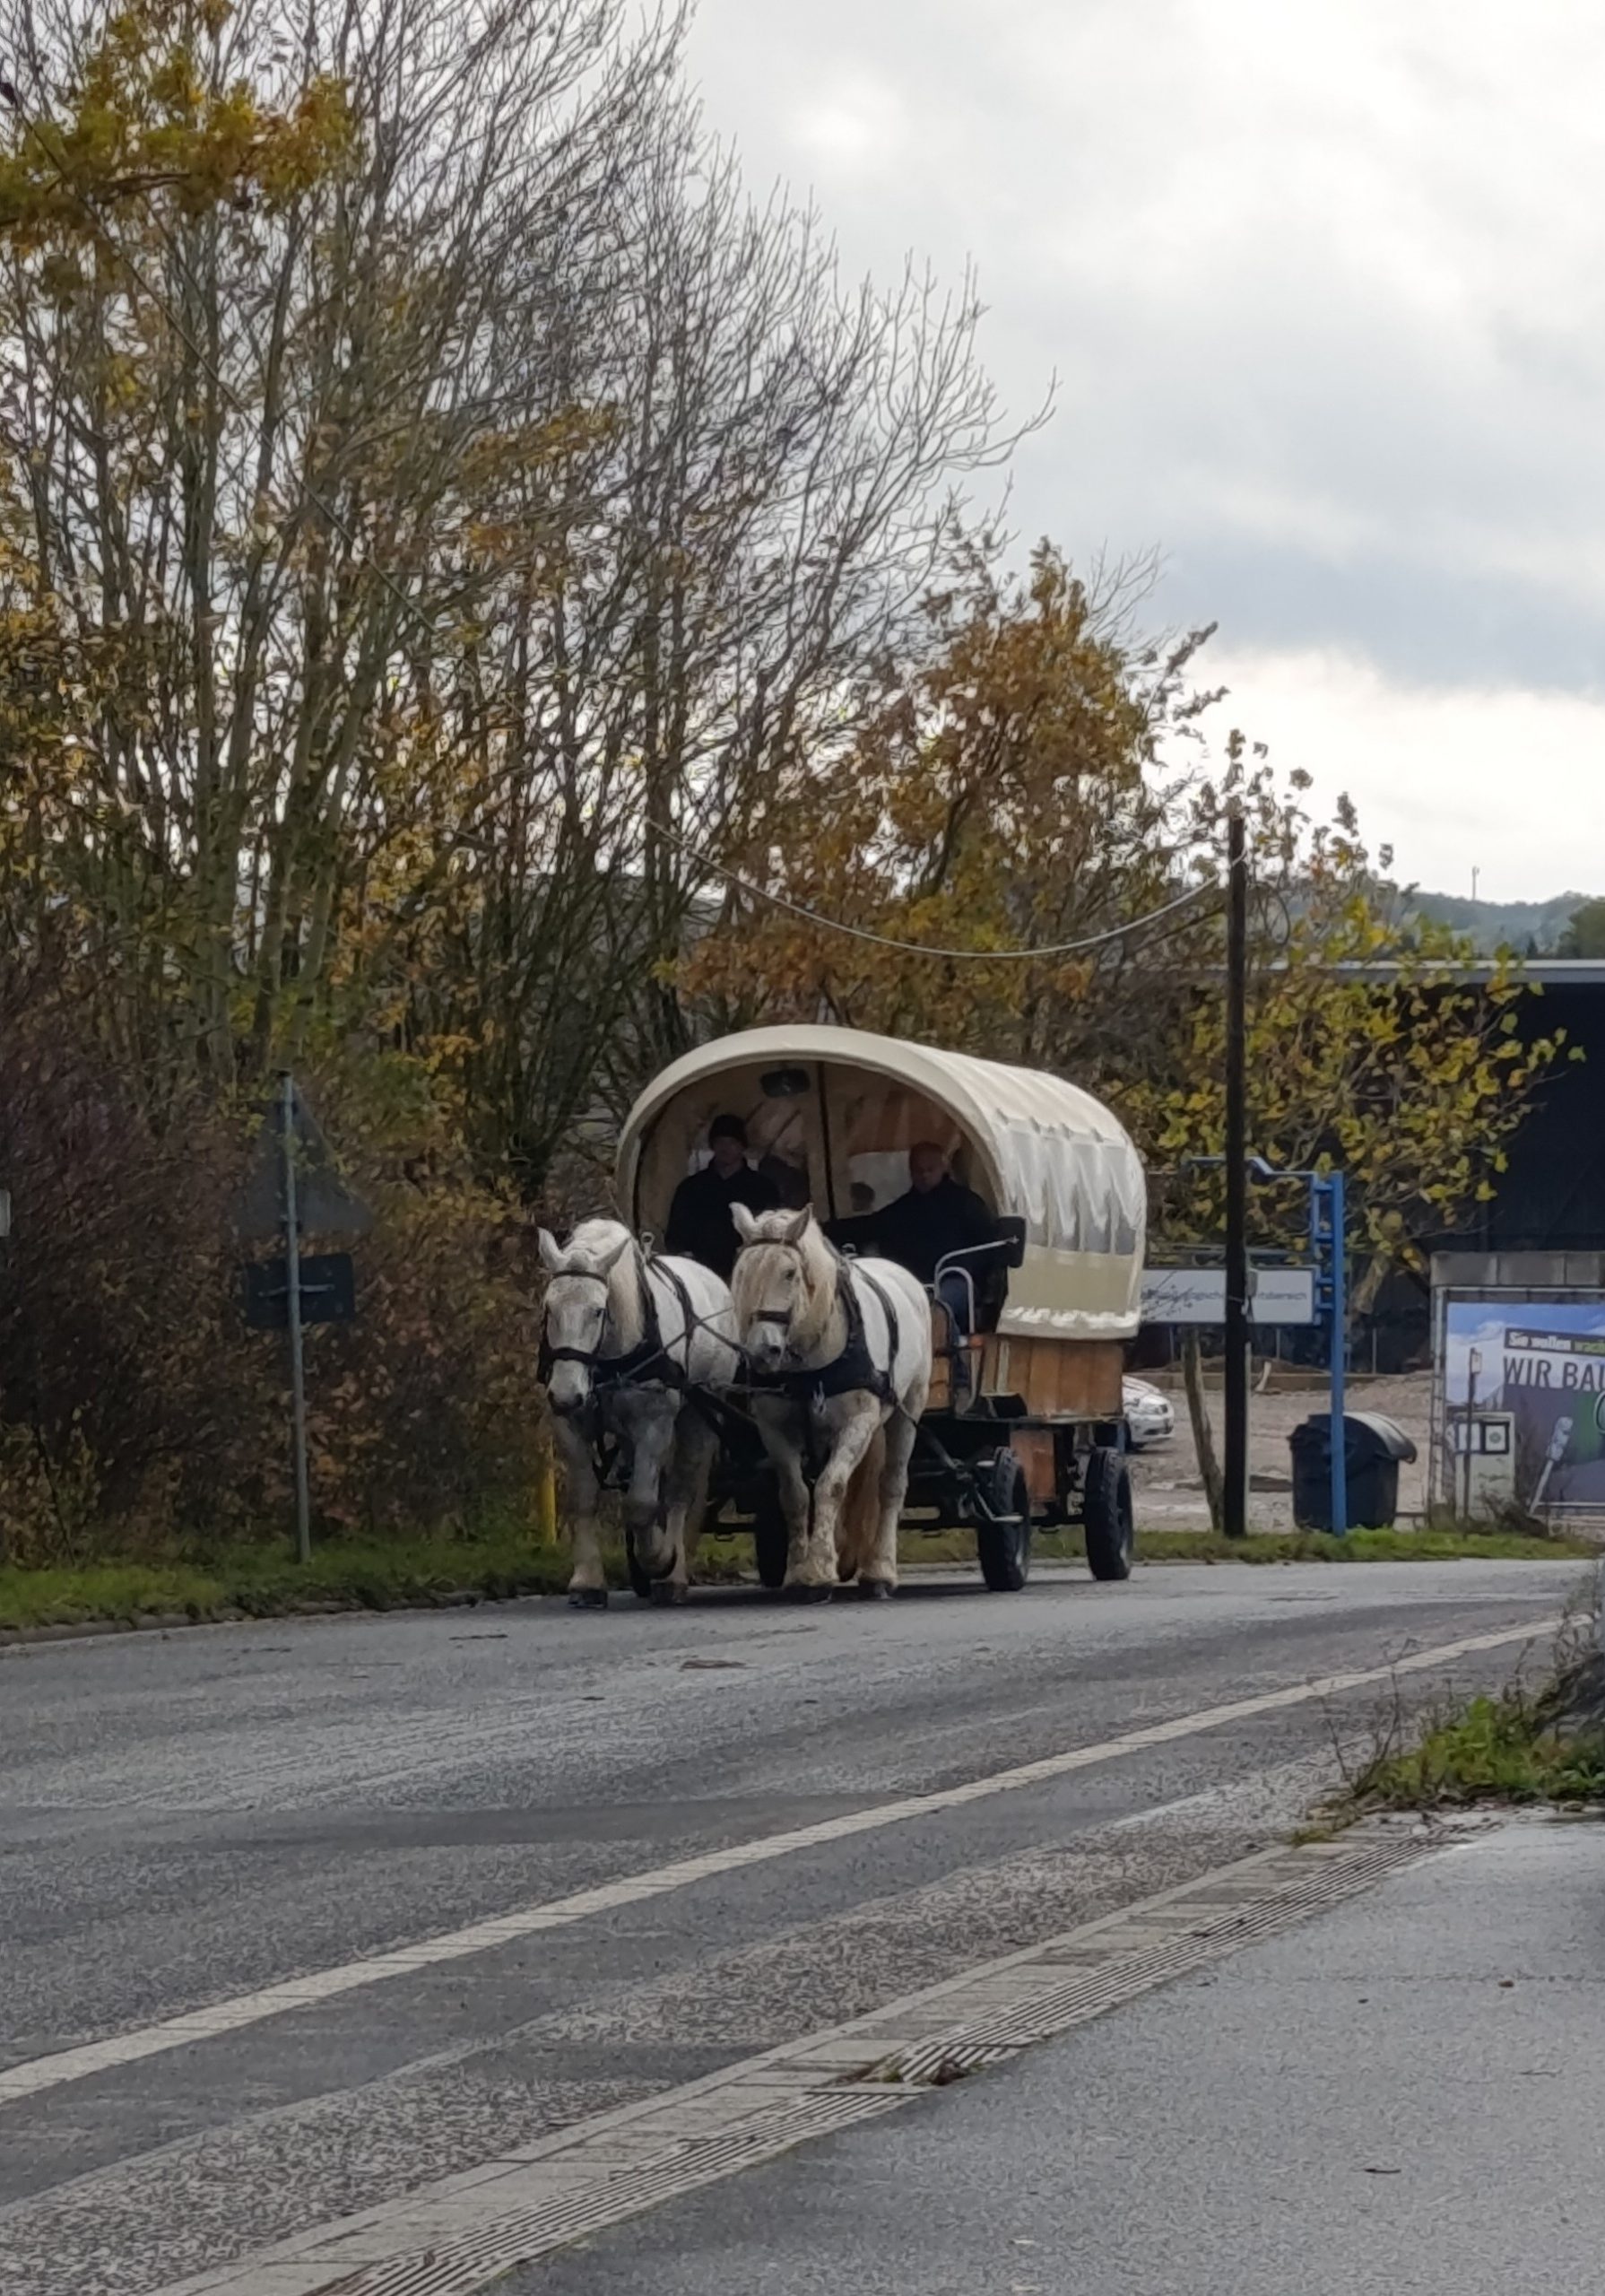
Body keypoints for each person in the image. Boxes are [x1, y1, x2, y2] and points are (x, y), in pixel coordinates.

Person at [872, 1141, 996, 1332]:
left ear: (943, 1167)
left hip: (956, 1279)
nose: (924, 1175)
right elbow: (870, 1226)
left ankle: (948, 1345)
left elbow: (990, 1245)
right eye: (918, 1170)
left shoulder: (968, 1204)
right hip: (911, 1283)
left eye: (930, 1169)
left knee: (939, 1308)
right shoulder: (901, 1210)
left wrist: (967, 1267)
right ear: (910, 1171)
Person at [664, 1114, 780, 1280]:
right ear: (712, 1146)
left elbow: (774, 1234)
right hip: (701, 1275)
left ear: (742, 1146)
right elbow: (676, 1235)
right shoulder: (691, 1188)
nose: (725, 1148)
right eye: (720, 1142)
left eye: (732, 1142)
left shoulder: (763, 1188)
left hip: (750, 1275)